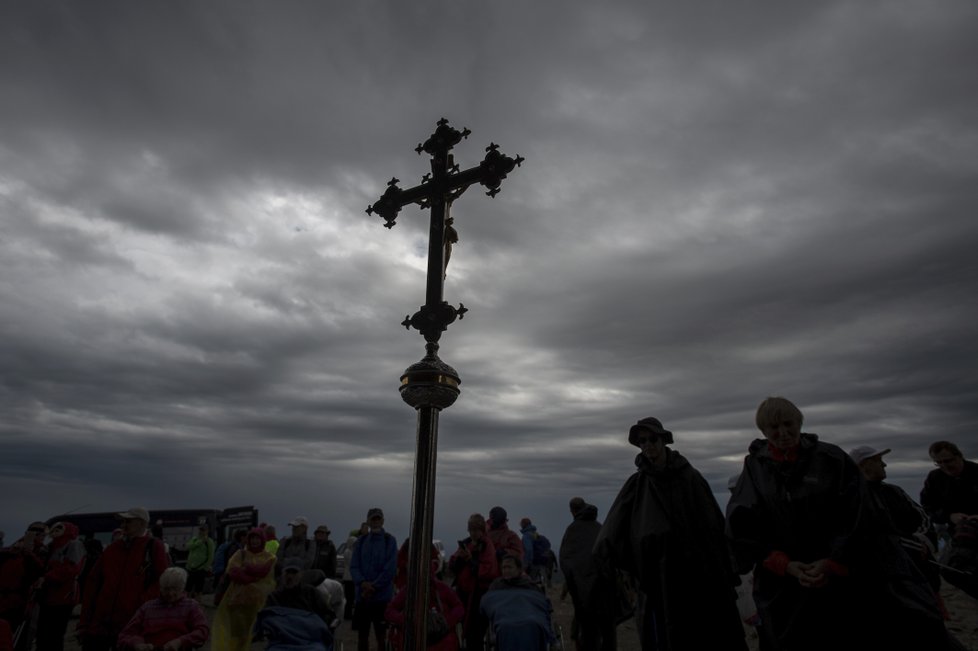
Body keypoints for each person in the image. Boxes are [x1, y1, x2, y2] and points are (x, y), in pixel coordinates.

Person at [596, 416, 746, 651]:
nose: (647, 445)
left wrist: (724, 568)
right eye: (641, 441)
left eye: (652, 439)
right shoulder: (637, 485)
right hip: (658, 580)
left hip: (699, 576)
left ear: (664, 440)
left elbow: (712, 525)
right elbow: (613, 533)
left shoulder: (689, 478)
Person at [78, 507, 171, 651]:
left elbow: (162, 580)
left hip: (132, 625)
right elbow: (92, 583)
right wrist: (85, 623)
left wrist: (142, 603)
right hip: (100, 625)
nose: (123, 525)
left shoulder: (153, 547)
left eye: (128, 521)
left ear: (141, 523)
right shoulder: (113, 548)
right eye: (122, 521)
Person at [921, 440, 978, 599]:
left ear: (959, 456)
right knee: (949, 570)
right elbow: (927, 507)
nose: (945, 466)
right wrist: (949, 516)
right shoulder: (934, 478)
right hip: (959, 535)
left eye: (948, 460)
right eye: (938, 462)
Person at [559, 498, 616, 651]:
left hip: (583, 589)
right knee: (607, 628)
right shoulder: (600, 527)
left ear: (572, 510)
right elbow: (611, 554)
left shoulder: (572, 530)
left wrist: (572, 585)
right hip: (605, 586)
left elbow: (567, 560)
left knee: (588, 630)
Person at [211, 527, 276, 650]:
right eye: (252, 538)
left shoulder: (269, 557)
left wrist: (247, 568)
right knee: (236, 635)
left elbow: (264, 572)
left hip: (257, 604)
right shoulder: (240, 554)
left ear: (262, 540)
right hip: (237, 601)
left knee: (251, 634)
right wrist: (253, 578)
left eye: (257, 538)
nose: (254, 541)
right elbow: (233, 572)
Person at [117, 566, 209, 650]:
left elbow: (202, 631)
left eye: (175, 589)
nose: (170, 593)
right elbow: (125, 635)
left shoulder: (191, 606)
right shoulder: (147, 607)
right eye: (166, 589)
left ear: (182, 588)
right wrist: (137, 644)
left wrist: (180, 641)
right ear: (160, 588)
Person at [384, 560, 464, 651]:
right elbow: (390, 610)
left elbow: (459, 607)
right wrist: (406, 621)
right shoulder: (408, 590)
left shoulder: (442, 588)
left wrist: (446, 621)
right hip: (414, 635)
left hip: (441, 635)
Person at [481, 556, 556, 650]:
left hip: (530, 616)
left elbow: (541, 602)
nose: (506, 570)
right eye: (504, 568)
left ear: (519, 569)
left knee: (534, 624)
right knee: (505, 626)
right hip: (504, 617)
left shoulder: (530, 585)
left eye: (509, 567)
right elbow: (487, 602)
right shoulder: (496, 586)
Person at [449, 513, 499, 651]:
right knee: (463, 626)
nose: (473, 533)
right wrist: (459, 558)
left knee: (475, 632)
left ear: (482, 530)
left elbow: (488, 571)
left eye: (476, 529)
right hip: (463, 593)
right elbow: (453, 566)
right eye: (471, 529)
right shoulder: (466, 544)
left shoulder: (486, 546)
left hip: (479, 595)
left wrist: (470, 560)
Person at [349, 507, 397, 651]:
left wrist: (374, 586)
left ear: (382, 521)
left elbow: (390, 569)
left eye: (378, 518)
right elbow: (354, 566)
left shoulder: (390, 541)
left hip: (381, 599)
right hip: (362, 598)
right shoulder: (361, 542)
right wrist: (363, 583)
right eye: (373, 519)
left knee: (381, 637)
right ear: (368, 522)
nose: (375, 522)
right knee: (362, 638)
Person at [34, 521, 86, 651]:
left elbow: (72, 568)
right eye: (54, 528)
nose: (55, 530)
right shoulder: (51, 546)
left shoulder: (74, 544)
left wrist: (48, 576)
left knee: (54, 635)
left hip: (63, 597)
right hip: (48, 597)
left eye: (59, 528)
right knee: (42, 635)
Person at [0, 522, 46, 651]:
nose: (40, 536)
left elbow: (40, 571)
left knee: (18, 635)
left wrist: (28, 554)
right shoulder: (12, 549)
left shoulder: (41, 552)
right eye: (36, 533)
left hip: (21, 600)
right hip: (9, 597)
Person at [266, 560, 335, 625]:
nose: (290, 576)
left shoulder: (311, 593)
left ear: (301, 574)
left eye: (294, 572)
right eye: (287, 572)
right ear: (282, 575)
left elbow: (327, 614)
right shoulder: (274, 597)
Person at [212, 529, 247, 605]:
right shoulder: (236, 547)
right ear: (242, 538)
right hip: (227, 572)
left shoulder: (233, 545)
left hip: (224, 570)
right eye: (246, 537)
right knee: (227, 589)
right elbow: (230, 561)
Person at [184, 524, 214, 602]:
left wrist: (205, 568)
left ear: (207, 531)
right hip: (190, 568)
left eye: (203, 530)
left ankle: (197, 606)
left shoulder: (209, 542)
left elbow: (211, 556)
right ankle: (186, 604)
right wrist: (199, 542)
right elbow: (188, 546)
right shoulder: (194, 539)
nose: (201, 532)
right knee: (188, 588)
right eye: (200, 530)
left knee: (199, 589)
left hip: (201, 569)